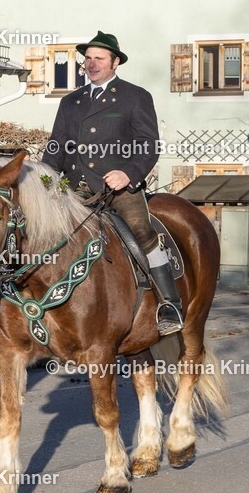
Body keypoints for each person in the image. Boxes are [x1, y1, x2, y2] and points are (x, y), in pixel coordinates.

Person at [43, 31, 183, 335]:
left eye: (99, 58)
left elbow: (148, 145)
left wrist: (128, 174)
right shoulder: (70, 101)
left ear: (115, 62)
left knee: (141, 230)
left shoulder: (135, 96)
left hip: (118, 187)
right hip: (75, 187)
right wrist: (45, 182)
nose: (92, 64)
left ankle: (169, 302)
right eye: (88, 59)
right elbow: (56, 146)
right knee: (39, 229)